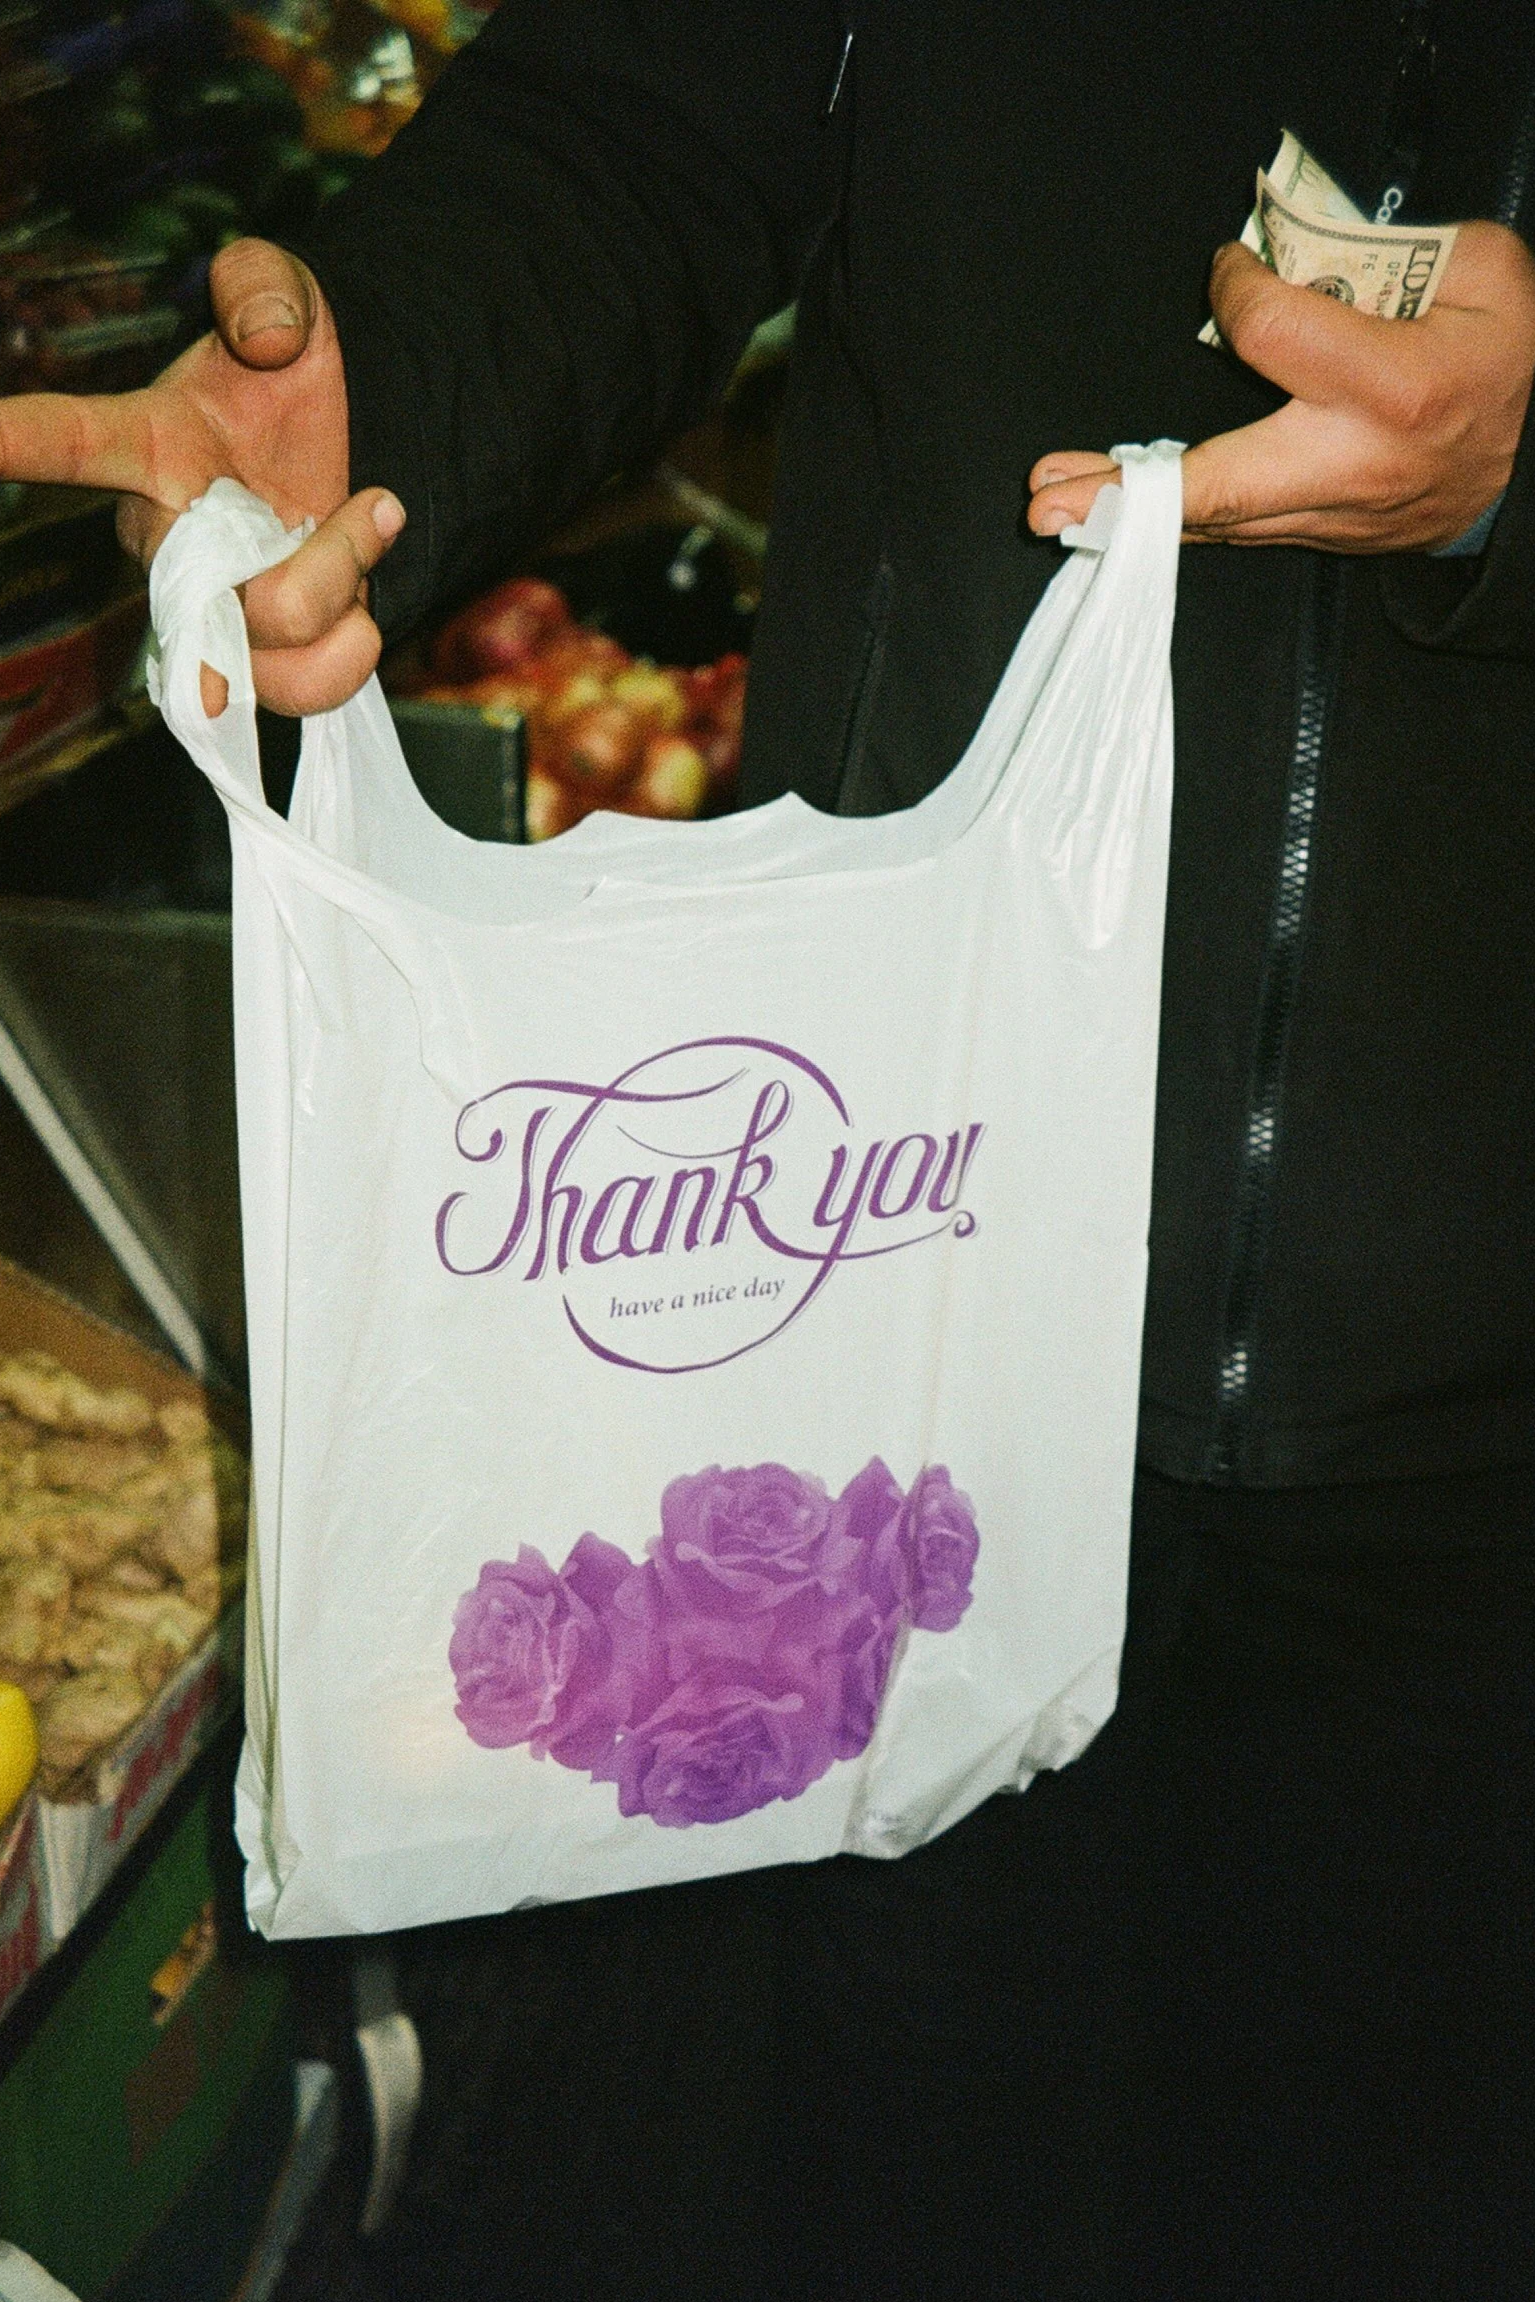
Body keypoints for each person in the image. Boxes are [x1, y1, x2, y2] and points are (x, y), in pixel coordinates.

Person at [5, 5, 1532, 2295]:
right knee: (876, 2173)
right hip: (870, 1308)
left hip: (1480, 1384)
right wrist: (381, 395)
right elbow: (639, 114)